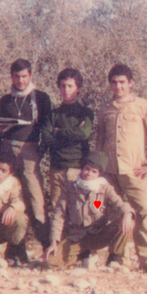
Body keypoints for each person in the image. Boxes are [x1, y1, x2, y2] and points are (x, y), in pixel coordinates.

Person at [96, 64, 147, 273]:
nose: (118, 86)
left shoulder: (142, 106)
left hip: (135, 171)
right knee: (112, 212)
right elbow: (100, 140)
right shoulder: (105, 109)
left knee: (143, 212)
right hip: (109, 171)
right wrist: (98, 168)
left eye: (122, 82)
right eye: (114, 82)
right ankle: (120, 258)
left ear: (131, 83)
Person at [44, 151, 134, 268]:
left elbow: (121, 205)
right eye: (87, 169)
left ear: (99, 174)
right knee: (51, 262)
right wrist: (54, 242)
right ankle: (83, 256)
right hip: (77, 236)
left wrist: (127, 214)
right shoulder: (70, 188)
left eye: (94, 171)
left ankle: (114, 258)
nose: (89, 173)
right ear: (82, 169)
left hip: (98, 234)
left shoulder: (105, 188)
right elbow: (58, 215)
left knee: (128, 220)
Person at [0, 58, 52, 247]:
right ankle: (15, 247)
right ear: (11, 77)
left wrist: (42, 148)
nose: (20, 81)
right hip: (8, 149)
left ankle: (45, 244)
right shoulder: (5, 100)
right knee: (10, 194)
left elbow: (47, 126)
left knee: (35, 197)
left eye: (24, 76)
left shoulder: (40, 98)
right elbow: (0, 126)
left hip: (30, 150)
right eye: (16, 76)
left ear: (30, 76)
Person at [42, 68, 94, 211]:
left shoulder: (85, 113)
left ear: (78, 88)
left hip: (77, 167)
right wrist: (72, 136)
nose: (66, 90)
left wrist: (58, 132)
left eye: (70, 86)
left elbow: (83, 133)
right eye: (63, 86)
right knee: (57, 208)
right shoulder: (53, 114)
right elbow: (47, 138)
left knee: (78, 208)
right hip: (56, 168)